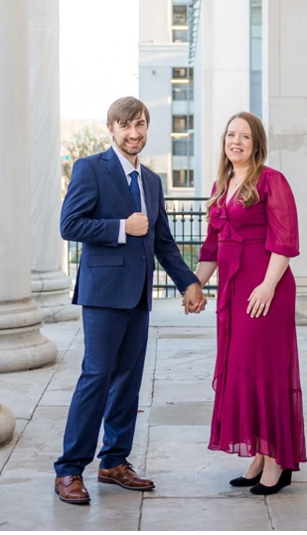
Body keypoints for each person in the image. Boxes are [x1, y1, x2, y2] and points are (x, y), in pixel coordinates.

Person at [54, 97, 207, 505]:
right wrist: (121, 227)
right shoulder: (91, 169)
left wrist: (189, 282)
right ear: (111, 128)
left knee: (128, 382)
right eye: (125, 126)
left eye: (140, 124)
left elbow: (163, 242)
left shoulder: (152, 182)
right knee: (96, 378)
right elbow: (69, 224)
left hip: (138, 297)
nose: (134, 132)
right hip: (103, 296)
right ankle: (69, 469)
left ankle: (114, 462)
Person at [192, 111, 306, 495]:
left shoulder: (271, 181)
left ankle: (277, 461)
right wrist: (196, 286)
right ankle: (259, 453)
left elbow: (285, 239)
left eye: (244, 136)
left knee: (266, 369)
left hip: (264, 288)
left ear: (256, 143)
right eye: (230, 135)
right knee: (242, 369)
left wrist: (267, 286)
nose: (235, 141)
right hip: (233, 289)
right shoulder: (221, 184)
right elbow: (211, 246)